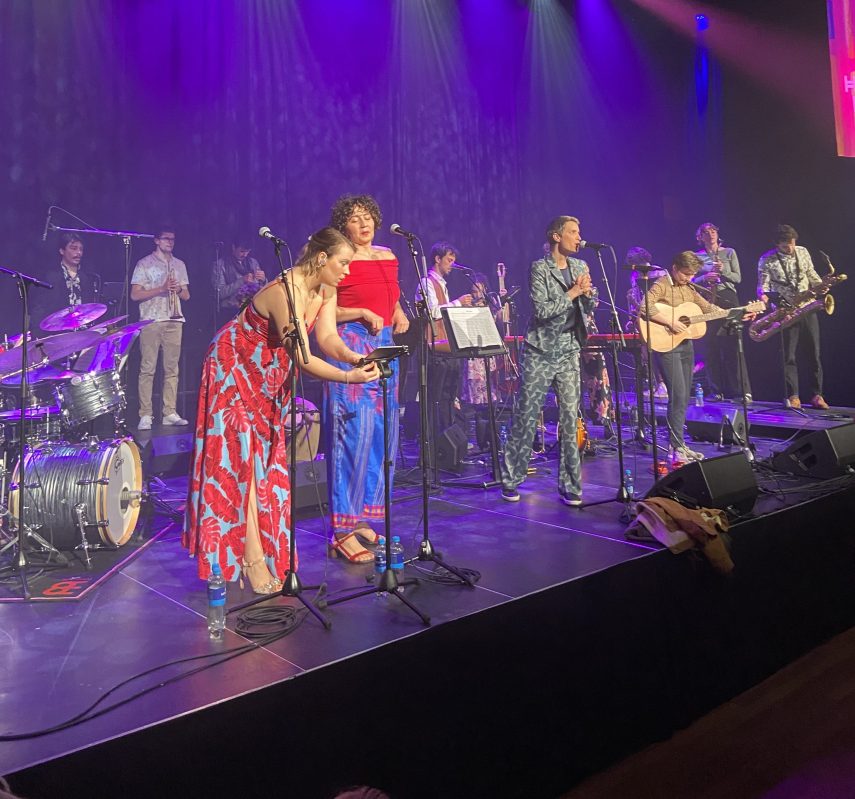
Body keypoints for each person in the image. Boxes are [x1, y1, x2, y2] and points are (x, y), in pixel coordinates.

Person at [184, 227, 379, 592]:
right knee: (241, 461)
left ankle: (262, 553)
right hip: (233, 367)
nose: (347, 271)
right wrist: (347, 377)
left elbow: (327, 338)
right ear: (322, 258)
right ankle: (252, 559)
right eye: (343, 263)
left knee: (265, 461)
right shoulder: (283, 291)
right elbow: (303, 357)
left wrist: (355, 358)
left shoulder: (325, 287)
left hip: (268, 376)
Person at [324, 194, 410, 563]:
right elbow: (322, 308)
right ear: (343, 226)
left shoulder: (387, 254)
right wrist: (359, 311)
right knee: (352, 433)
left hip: (385, 343)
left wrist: (398, 310)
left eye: (367, 217)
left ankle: (362, 517)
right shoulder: (337, 259)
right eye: (355, 219)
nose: (363, 224)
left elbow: (390, 294)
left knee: (381, 432)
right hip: (351, 342)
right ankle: (341, 529)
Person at [500, 215, 595, 506]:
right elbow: (541, 311)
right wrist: (574, 291)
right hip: (540, 350)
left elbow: (587, 307)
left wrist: (588, 294)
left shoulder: (580, 266)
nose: (579, 238)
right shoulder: (539, 268)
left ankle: (570, 484)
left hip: (569, 348)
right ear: (556, 236)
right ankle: (511, 479)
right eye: (573, 232)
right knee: (527, 415)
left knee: (570, 418)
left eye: (579, 232)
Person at [641, 251, 756, 466]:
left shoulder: (689, 289)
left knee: (685, 396)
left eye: (692, 274)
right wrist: (670, 322)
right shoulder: (662, 284)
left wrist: (739, 313)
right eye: (685, 274)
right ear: (675, 268)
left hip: (686, 345)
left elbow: (710, 309)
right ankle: (675, 447)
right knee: (678, 395)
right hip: (667, 346)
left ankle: (679, 443)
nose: (689, 278)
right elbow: (645, 306)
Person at [757, 224, 828, 410]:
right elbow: (763, 286)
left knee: (814, 353)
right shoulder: (767, 259)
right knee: (788, 356)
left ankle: (817, 395)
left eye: (792, 243)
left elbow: (811, 273)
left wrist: (820, 285)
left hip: (807, 307)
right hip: (786, 312)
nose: (790, 248)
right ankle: (793, 395)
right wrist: (764, 299)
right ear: (777, 244)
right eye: (785, 245)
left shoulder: (802, 251)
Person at [131, 226, 190, 430]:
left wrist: (178, 288)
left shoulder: (179, 264)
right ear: (156, 240)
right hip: (151, 320)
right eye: (166, 238)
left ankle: (169, 412)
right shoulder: (144, 263)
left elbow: (186, 295)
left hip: (175, 320)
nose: (170, 242)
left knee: (172, 369)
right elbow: (135, 295)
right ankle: (145, 414)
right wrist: (161, 289)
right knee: (148, 368)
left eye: (172, 239)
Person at [415, 241, 473, 431]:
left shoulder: (442, 285)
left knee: (448, 394)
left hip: (446, 346)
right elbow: (432, 312)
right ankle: (433, 436)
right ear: (437, 259)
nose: (452, 265)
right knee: (435, 395)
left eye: (453, 261)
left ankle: (447, 433)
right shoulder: (426, 283)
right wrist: (458, 303)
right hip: (433, 347)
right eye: (449, 260)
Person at [692, 222, 752, 402]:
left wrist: (723, 270)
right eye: (706, 232)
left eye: (713, 231)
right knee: (711, 346)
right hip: (707, 299)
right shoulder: (696, 256)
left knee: (733, 344)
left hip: (728, 297)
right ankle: (716, 390)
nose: (710, 234)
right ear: (700, 237)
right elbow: (691, 281)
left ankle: (741, 391)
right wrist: (705, 277)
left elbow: (738, 278)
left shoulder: (729, 252)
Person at [31, 232, 101, 329]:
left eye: (81, 249)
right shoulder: (50, 277)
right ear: (62, 251)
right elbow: (39, 309)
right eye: (74, 248)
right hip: (59, 332)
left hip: (83, 332)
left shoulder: (88, 278)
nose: (79, 253)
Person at [625, 246, 667, 399]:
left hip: (659, 317)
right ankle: (656, 385)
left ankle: (664, 384)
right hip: (642, 319)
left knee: (659, 352)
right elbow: (635, 297)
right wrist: (631, 317)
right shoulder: (634, 275)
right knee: (646, 354)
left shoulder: (659, 272)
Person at [211, 236, 267, 325]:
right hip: (230, 311)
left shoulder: (253, 262)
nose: (245, 255)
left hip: (253, 309)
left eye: (247, 251)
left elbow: (262, 288)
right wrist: (241, 281)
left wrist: (263, 280)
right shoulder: (220, 265)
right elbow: (219, 294)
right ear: (233, 247)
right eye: (242, 251)